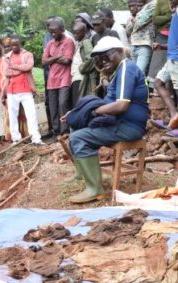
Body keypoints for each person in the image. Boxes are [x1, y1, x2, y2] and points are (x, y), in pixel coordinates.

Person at [66, 37, 149, 203]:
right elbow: (109, 103)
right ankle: (84, 173)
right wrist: (78, 112)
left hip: (129, 126)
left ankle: (95, 189)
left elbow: (121, 106)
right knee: (76, 124)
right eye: (99, 60)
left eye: (106, 56)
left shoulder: (126, 68)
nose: (103, 62)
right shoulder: (119, 71)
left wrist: (92, 111)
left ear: (119, 51)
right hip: (120, 123)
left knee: (78, 137)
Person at [2, 37, 44, 145]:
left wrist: (15, 67)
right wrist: (21, 69)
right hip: (12, 90)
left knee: (31, 115)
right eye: (12, 45)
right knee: (12, 115)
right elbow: (7, 72)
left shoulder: (27, 54)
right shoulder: (6, 57)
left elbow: (29, 66)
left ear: (20, 44)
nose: (14, 47)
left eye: (16, 45)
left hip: (26, 89)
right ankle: (16, 138)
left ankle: (36, 139)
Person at [43, 18, 75, 138]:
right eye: (51, 32)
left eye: (55, 32)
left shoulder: (68, 42)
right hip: (52, 79)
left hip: (64, 78)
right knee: (53, 106)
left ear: (62, 29)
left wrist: (52, 57)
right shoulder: (50, 43)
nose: (53, 34)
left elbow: (67, 60)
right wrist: (57, 57)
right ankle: (56, 131)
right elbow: (44, 61)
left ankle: (65, 131)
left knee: (63, 104)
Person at [159, 0, 178, 129]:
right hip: (171, 57)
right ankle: (174, 116)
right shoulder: (176, 12)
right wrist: (162, 46)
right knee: (157, 82)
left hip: (176, 58)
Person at [71, 23, 98, 107]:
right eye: (74, 33)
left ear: (84, 31)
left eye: (77, 33)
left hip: (80, 78)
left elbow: (91, 58)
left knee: (78, 104)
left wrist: (81, 68)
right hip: (76, 77)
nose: (75, 35)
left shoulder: (86, 42)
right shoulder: (79, 43)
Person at [126, 0, 156, 74]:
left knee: (139, 73)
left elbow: (140, 22)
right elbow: (128, 30)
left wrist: (134, 20)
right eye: (130, 6)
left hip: (144, 44)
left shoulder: (152, 4)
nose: (132, 8)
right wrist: (134, 19)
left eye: (134, 5)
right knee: (133, 73)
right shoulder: (133, 15)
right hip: (133, 45)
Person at [148, 0, 173, 84]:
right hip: (162, 37)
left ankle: (170, 90)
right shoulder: (161, 1)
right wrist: (169, 16)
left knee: (172, 64)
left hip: (175, 37)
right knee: (157, 64)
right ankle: (153, 88)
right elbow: (155, 20)